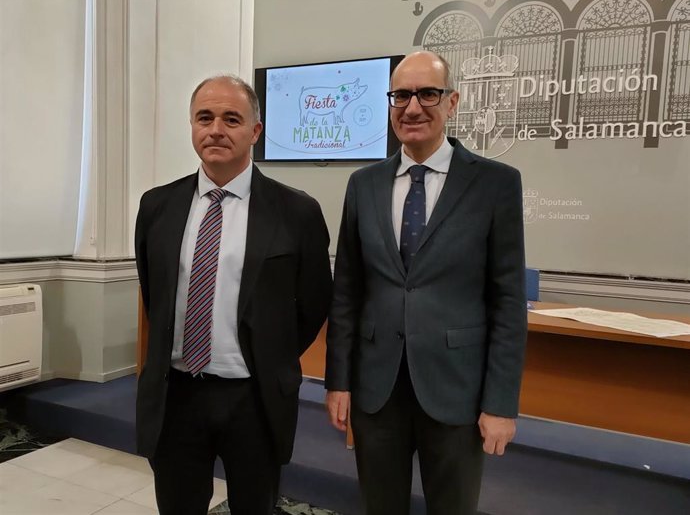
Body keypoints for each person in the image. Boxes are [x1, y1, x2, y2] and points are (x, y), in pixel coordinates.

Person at [325, 51, 527, 515]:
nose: (412, 108)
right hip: (377, 390)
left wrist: (500, 404)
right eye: (401, 95)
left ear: (452, 102)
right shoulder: (363, 185)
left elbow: (508, 300)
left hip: (456, 390)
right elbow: (347, 293)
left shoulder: (496, 184)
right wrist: (338, 381)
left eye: (427, 94)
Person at [134, 75, 333, 515]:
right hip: (177, 395)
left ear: (255, 132)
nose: (216, 129)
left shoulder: (297, 211)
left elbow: (315, 303)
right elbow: (156, 295)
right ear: (191, 127)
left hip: (255, 399)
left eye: (231, 118)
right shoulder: (156, 207)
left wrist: (270, 353)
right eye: (204, 118)